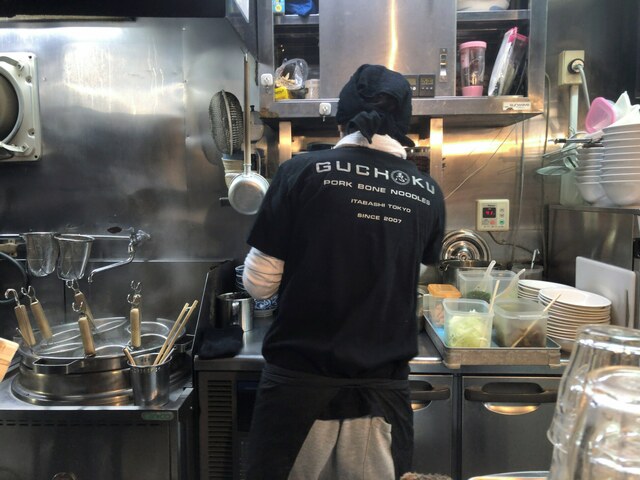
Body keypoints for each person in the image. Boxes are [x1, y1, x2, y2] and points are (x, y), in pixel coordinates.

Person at [241, 64, 446, 480]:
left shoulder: (299, 172)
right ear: (403, 125)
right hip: (382, 394)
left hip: (298, 390)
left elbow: (258, 283)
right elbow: (418, 269)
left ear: (342, 121)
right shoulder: (429, 192)